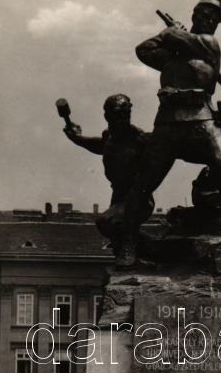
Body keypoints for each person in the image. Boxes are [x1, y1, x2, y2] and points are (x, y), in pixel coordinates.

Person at [117, 0, 221, 268]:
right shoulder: (173, 54)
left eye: (214, 18)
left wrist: (171, 33)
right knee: (144, 181)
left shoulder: (209, 46)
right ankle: (128, 244)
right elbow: (143, 50)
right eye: (203, 15)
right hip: (168, 122)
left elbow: (184, 40)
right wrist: (168, 36)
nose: (208, 20)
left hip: (201, 118)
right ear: (194, 15)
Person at [63, 94, 153, 253]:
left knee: (106, 222)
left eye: (126, 115)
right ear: (107, 116)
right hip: (118, 197)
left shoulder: (140, 140)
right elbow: (98, 145)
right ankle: (142, 251)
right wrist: (76, 137)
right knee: (117, 240)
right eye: (118, 115)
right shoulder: (110, 137)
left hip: (138, 198)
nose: (123, 120)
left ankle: (153, 249)